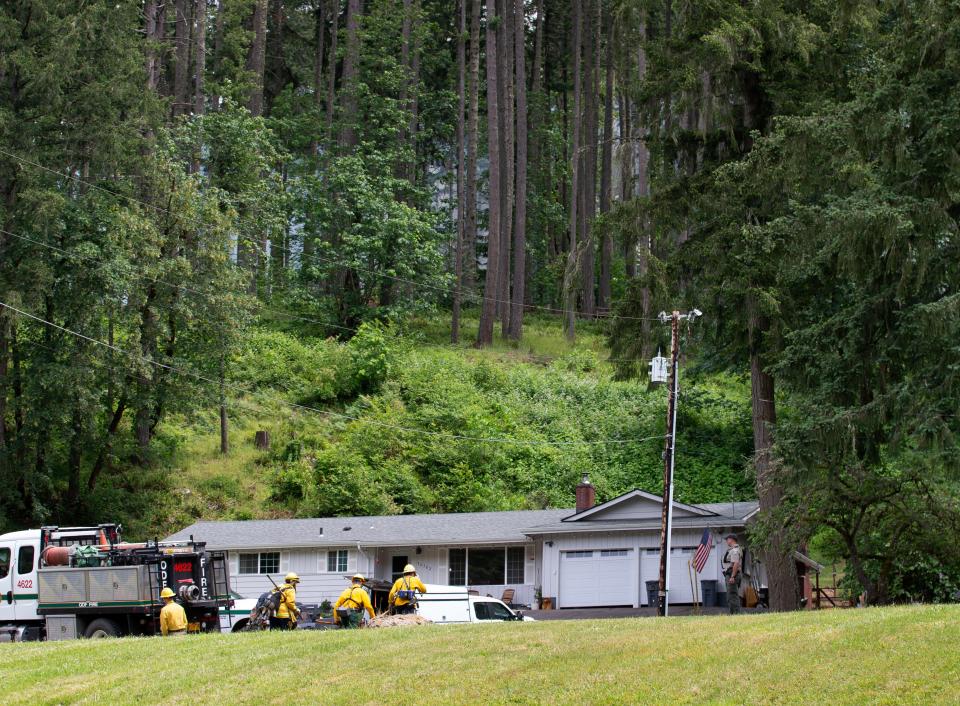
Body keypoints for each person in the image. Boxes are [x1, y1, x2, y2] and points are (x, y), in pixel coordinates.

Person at [721, 534, 743, 614]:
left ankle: (735, 614)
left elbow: (736, 563)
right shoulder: (732, 550)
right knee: (730, 595)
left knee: (732, 595)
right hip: (730, 574)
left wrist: (732, 576)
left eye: (727, 539)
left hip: (732, 574)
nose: (726, 541)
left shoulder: (735, 550)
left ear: (731, 539)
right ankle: (732, 613)